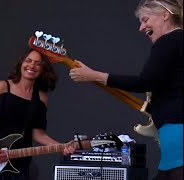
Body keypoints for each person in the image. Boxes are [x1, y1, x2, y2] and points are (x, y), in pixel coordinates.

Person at [69, 0, 183, 179]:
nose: (141, 27)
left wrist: (94, 75)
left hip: (177, 134)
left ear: (165, 15)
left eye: (145, 19)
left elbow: (145, 81)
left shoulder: (169, 41)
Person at [0, 48, 75, 180]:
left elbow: (37, 133)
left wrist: (61, 146)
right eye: (28, 61)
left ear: (43, 69)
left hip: (19, 162)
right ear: (21, 64)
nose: (32, 65)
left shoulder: (41, 97)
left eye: (38, 63)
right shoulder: (3, 86)